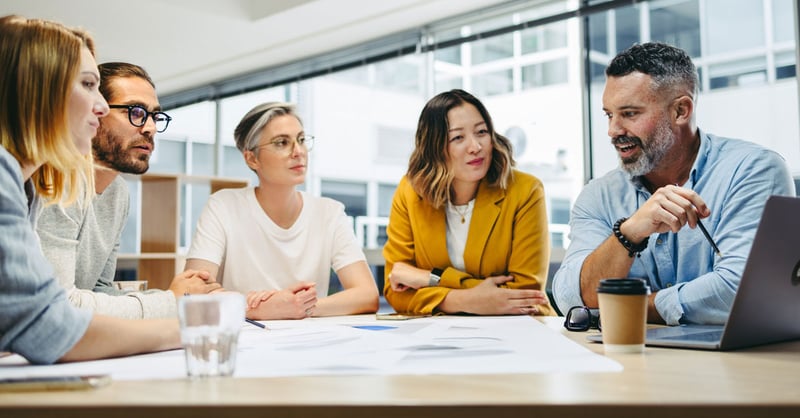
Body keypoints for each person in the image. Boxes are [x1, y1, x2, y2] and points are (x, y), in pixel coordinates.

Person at [552, 42, 795, 325]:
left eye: (630, 113)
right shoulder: (598, 196)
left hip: (737, 364)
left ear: (681, 110)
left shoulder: (752, 171)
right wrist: (629, 234)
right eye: (609, 114)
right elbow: (571, 298)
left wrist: (629, 307)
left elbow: (742, 291)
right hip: (627, 361)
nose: (613, 130)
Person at [0, 15, 181, 364]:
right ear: (36, 91)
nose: (99, 107)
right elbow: (47, 326)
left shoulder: (24, 189)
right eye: (87, 85)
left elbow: (37, 314)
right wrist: (188, 323)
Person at [35, 62, 220, 319]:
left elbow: (98, 290)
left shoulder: (117, 192)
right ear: (94, 111)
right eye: (135, 112)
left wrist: (184, 297)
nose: (150, 127)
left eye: (155, 116)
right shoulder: (56, 181)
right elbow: (58, 305)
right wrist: (171, 301)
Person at [184, 102, 379, 319]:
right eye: (282, 143)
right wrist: (260, 309)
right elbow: (191, 292)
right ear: (252, 158)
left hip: (309, 342)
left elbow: (367, 295)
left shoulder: (329, 213)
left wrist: (298, 307)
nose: (298, 152)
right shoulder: (223, 206)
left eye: (302, 140)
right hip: (244, 342)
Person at [383, 89, 553, 316]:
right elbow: (395, 289)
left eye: (481, 132)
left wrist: (430, 279)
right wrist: (463, 300)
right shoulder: (410, 191)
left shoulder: (525, 191)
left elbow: (524, 295)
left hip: (520, 328)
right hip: (441, 334)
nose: (475, 146)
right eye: (458, 137)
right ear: (434, 148)